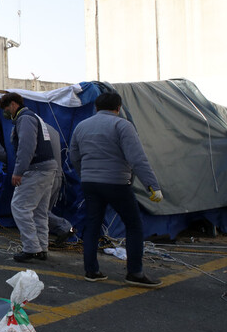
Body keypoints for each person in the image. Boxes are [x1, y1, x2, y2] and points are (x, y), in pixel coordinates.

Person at [70, 92, 163, 287]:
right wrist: (152, 186)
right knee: (134, 225)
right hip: (116, 182)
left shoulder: (81, 126)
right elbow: (137, 158)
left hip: (90, 182)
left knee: (93, 225)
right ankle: (135, 273)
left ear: (96, 107)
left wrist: (85, 174)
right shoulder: (122, 125)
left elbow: (74, 156)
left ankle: (92, 270)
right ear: (118, 108)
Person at [0, 92, 57, 263]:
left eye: (6, 108)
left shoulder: (25, 118)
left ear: (14, 104)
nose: (6, 112)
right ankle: (42, 248)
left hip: (36, 169)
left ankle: (31, 248)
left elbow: (26, 146)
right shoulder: (35, 117)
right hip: (47, 168)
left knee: (19, 207)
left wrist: (18, 171)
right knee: (39, 211)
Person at [46, 124, 76, 245]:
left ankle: (65, 227)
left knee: (35, 210)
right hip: (57, 175)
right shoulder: (53, 130)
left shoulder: (29, 125)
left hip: (44, 175)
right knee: (43, 210)